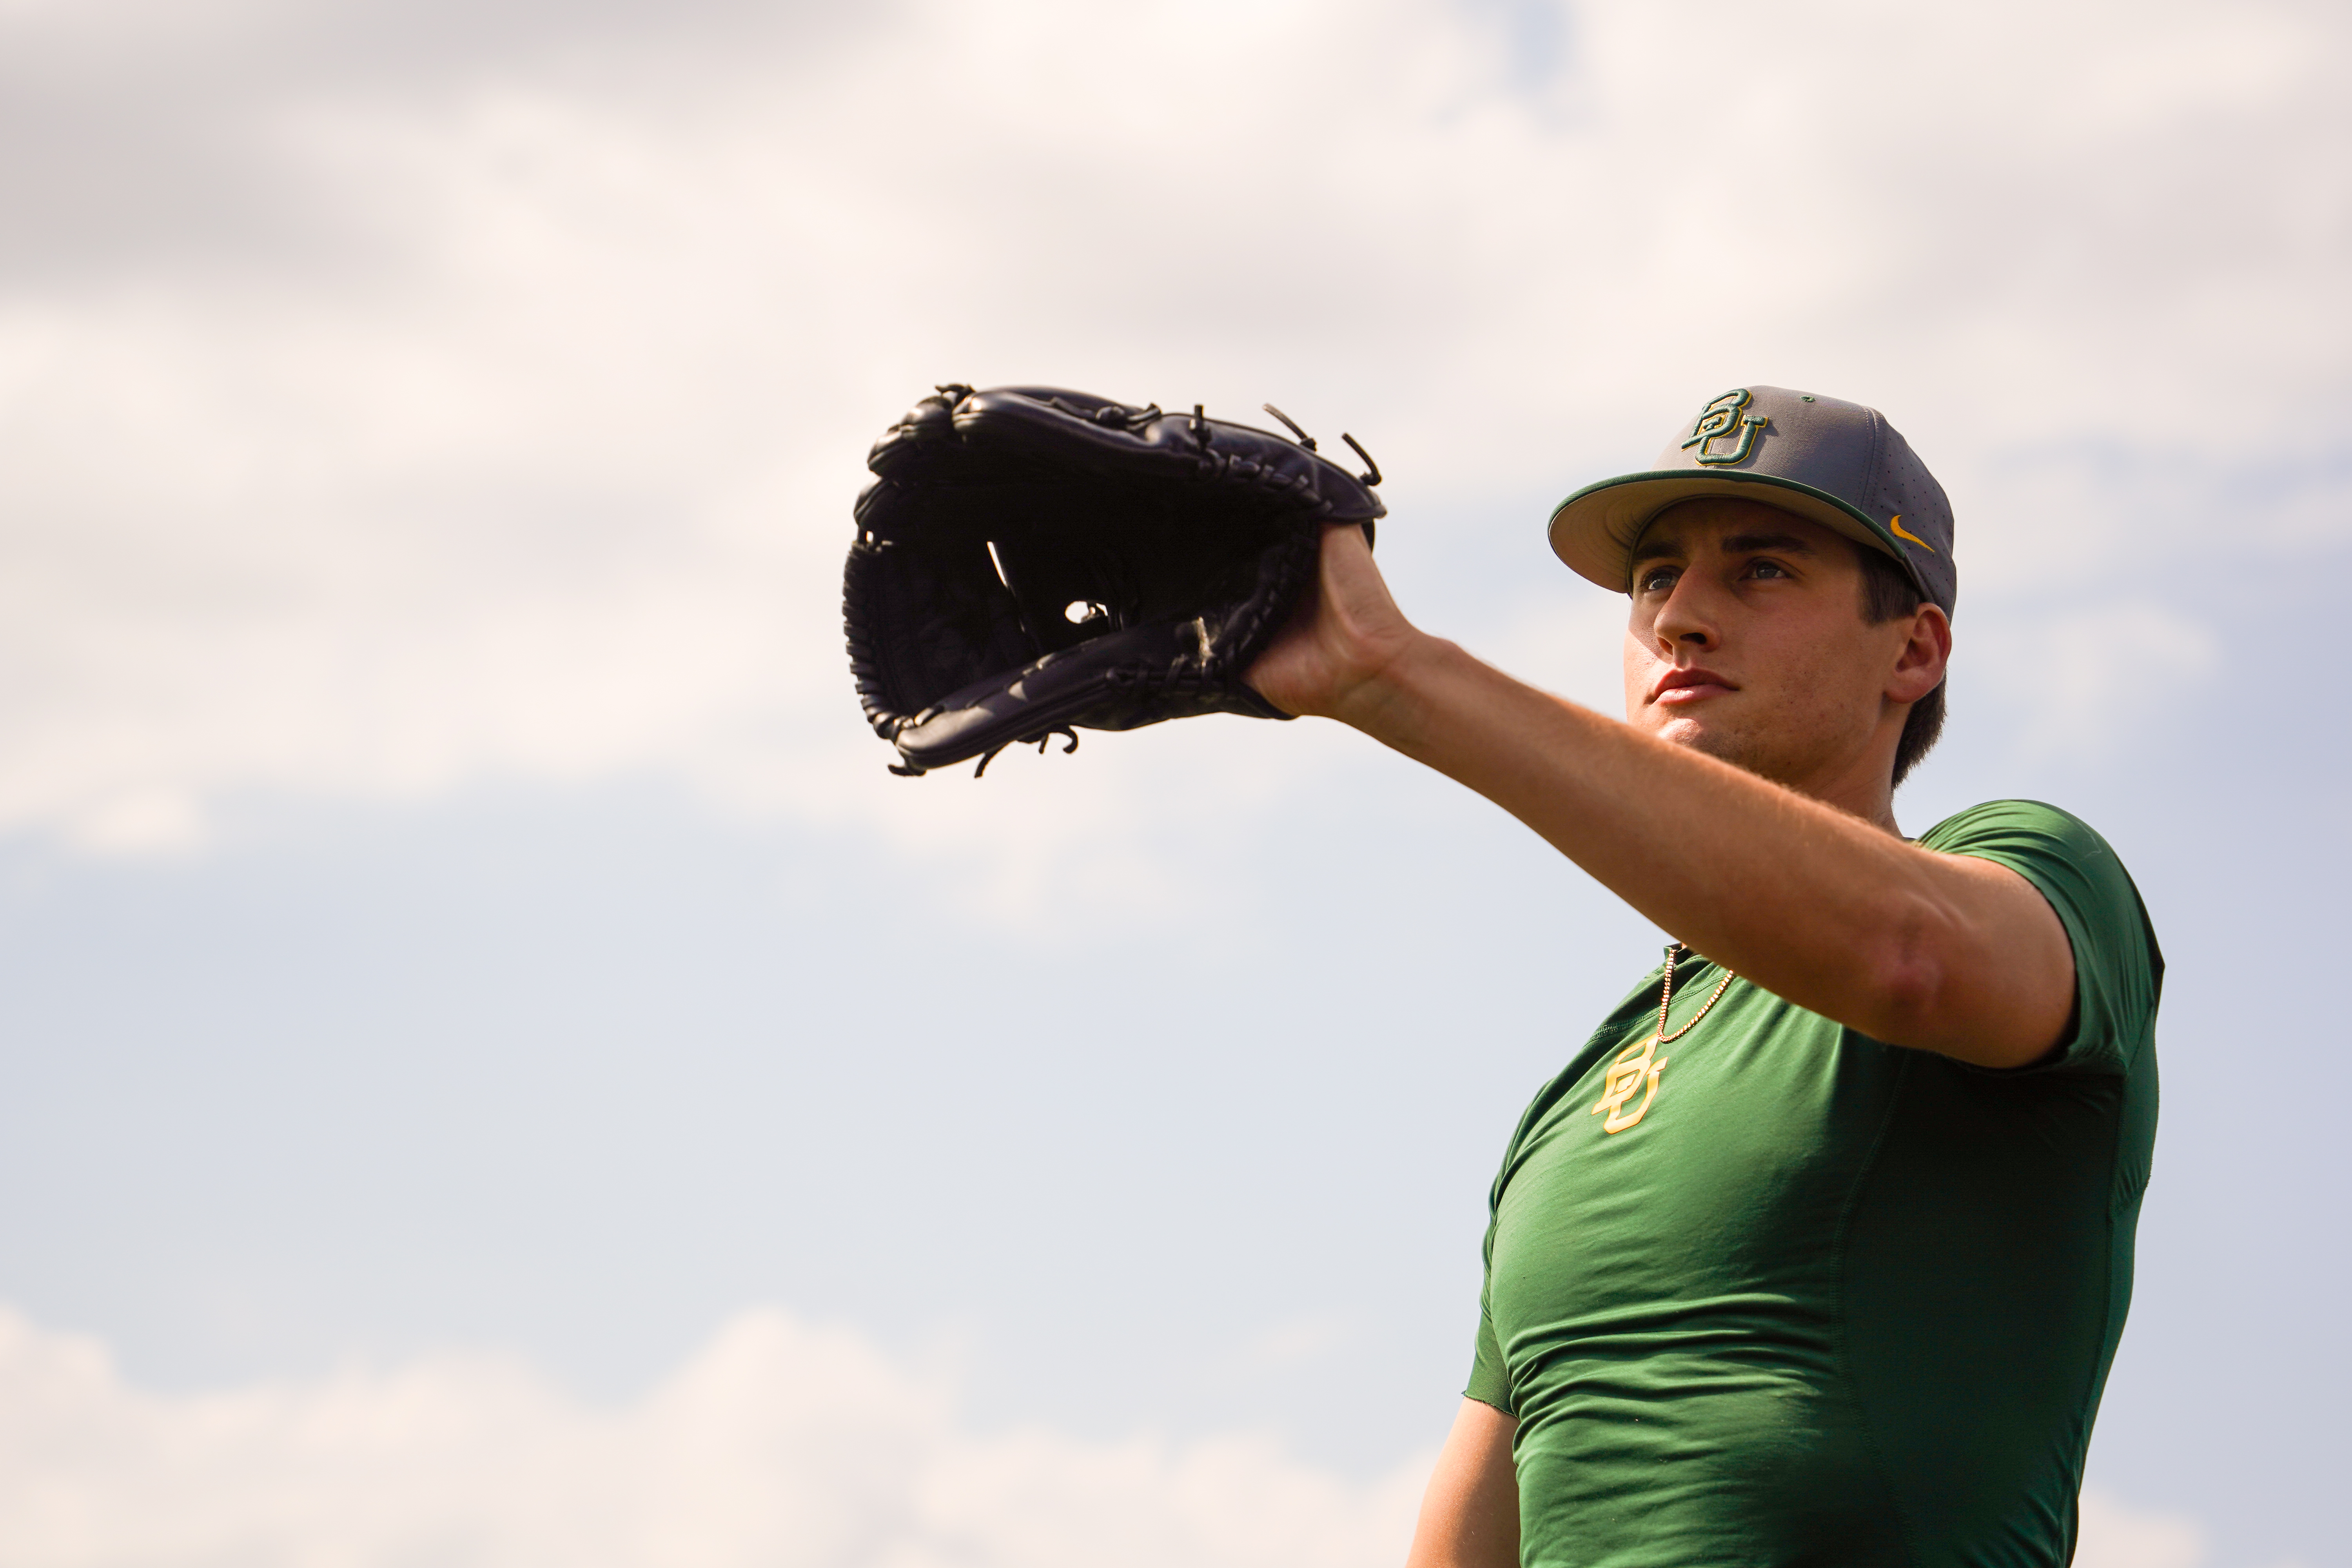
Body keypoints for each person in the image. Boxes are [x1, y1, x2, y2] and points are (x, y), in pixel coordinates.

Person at [1244, 386, 2163, 1568]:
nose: (1679, 617)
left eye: (1762, 571)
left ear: (1916, 647)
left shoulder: (2032, 871)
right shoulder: (1576, 1098)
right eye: (1654, 580)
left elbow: (1911, 958)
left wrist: (1395, 677)